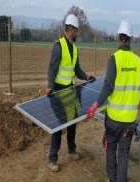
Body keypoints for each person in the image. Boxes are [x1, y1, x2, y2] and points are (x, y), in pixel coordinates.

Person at [86, 19, 140, 182]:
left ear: (119, 37)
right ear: (131, 39)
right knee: (124, 155)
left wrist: (95, 106)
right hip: (129, 120)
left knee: (111, 149)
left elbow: (108, 87)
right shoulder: (137, 61)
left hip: (113, 119)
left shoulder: (114, 59)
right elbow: (139, 90)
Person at [46, 14, 95, 172]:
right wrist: (49, 86)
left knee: (73, 120)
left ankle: (71, 149)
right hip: (59, 90)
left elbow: (76, 69)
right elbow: (52, 68)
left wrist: (86, 76)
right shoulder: (58, 46)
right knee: (59, 125)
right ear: (71, 30)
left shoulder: (74, 48)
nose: (78, 33)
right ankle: (52, 159)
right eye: (76, 30)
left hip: (71, 90)